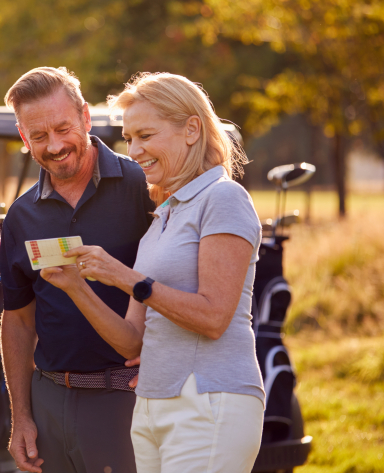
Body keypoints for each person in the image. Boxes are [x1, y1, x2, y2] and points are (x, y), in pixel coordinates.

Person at [45, 72, 264, 473]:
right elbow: (132, 343)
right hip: (150, 406)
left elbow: (214, 317)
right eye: (129, 139)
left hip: (208, 401)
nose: (135, 151)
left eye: (145, 135)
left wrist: (124, 277)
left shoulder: (224, 198)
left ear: (191, 130)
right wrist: (78, 288)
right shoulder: (164, 216)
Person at [0, 67, 154, 473]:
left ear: (85, 117)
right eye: (38, 136)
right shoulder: (20, 215)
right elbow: (16, 321)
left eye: (63, 128)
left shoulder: (145, 187)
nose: (54, 145)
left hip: (129, 398)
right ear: (23, 136)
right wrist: (21, 416)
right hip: (49, 402)